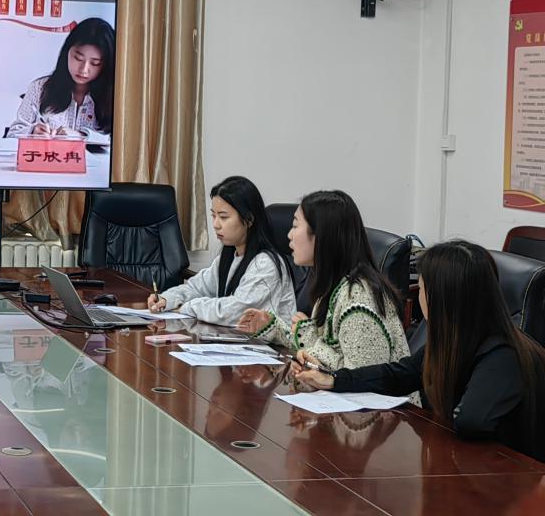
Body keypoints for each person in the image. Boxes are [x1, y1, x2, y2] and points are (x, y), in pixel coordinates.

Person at [294, 240, 545, 462]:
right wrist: (333, 380)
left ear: (441, 299)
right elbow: (399, 374)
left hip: (513, 482)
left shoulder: (504, 355)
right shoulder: (455, 342)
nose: (420, 297)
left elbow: (471, 421)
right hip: (468, 467)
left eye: (422, 289)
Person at [237, 190, 410, 372]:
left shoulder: (358, 298)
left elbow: (363, 378)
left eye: (295, 226)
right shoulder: (334, 286)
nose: (289, 235)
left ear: (321, 235)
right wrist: (273, 328)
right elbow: (326, 350)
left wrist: (308, 337)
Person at [145, 176, 296, 326]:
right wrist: (167, 299)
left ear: (249, 219)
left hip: (269, 342)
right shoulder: (229, 255)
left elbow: (236, 312)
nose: (216, 224)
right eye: (213, 216)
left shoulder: (265, 264)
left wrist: (187, 307)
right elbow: (197, 287)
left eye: (223, 217)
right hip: (233, 338)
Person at [6, 17, 115, 138]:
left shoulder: (115, 96)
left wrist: (81, 136)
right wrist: (32, 132)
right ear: (66, 52)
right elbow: (13, 134)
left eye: (95, 63)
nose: (84, 69)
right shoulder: (39, 88)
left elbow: (120, 141)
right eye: (78, 58)